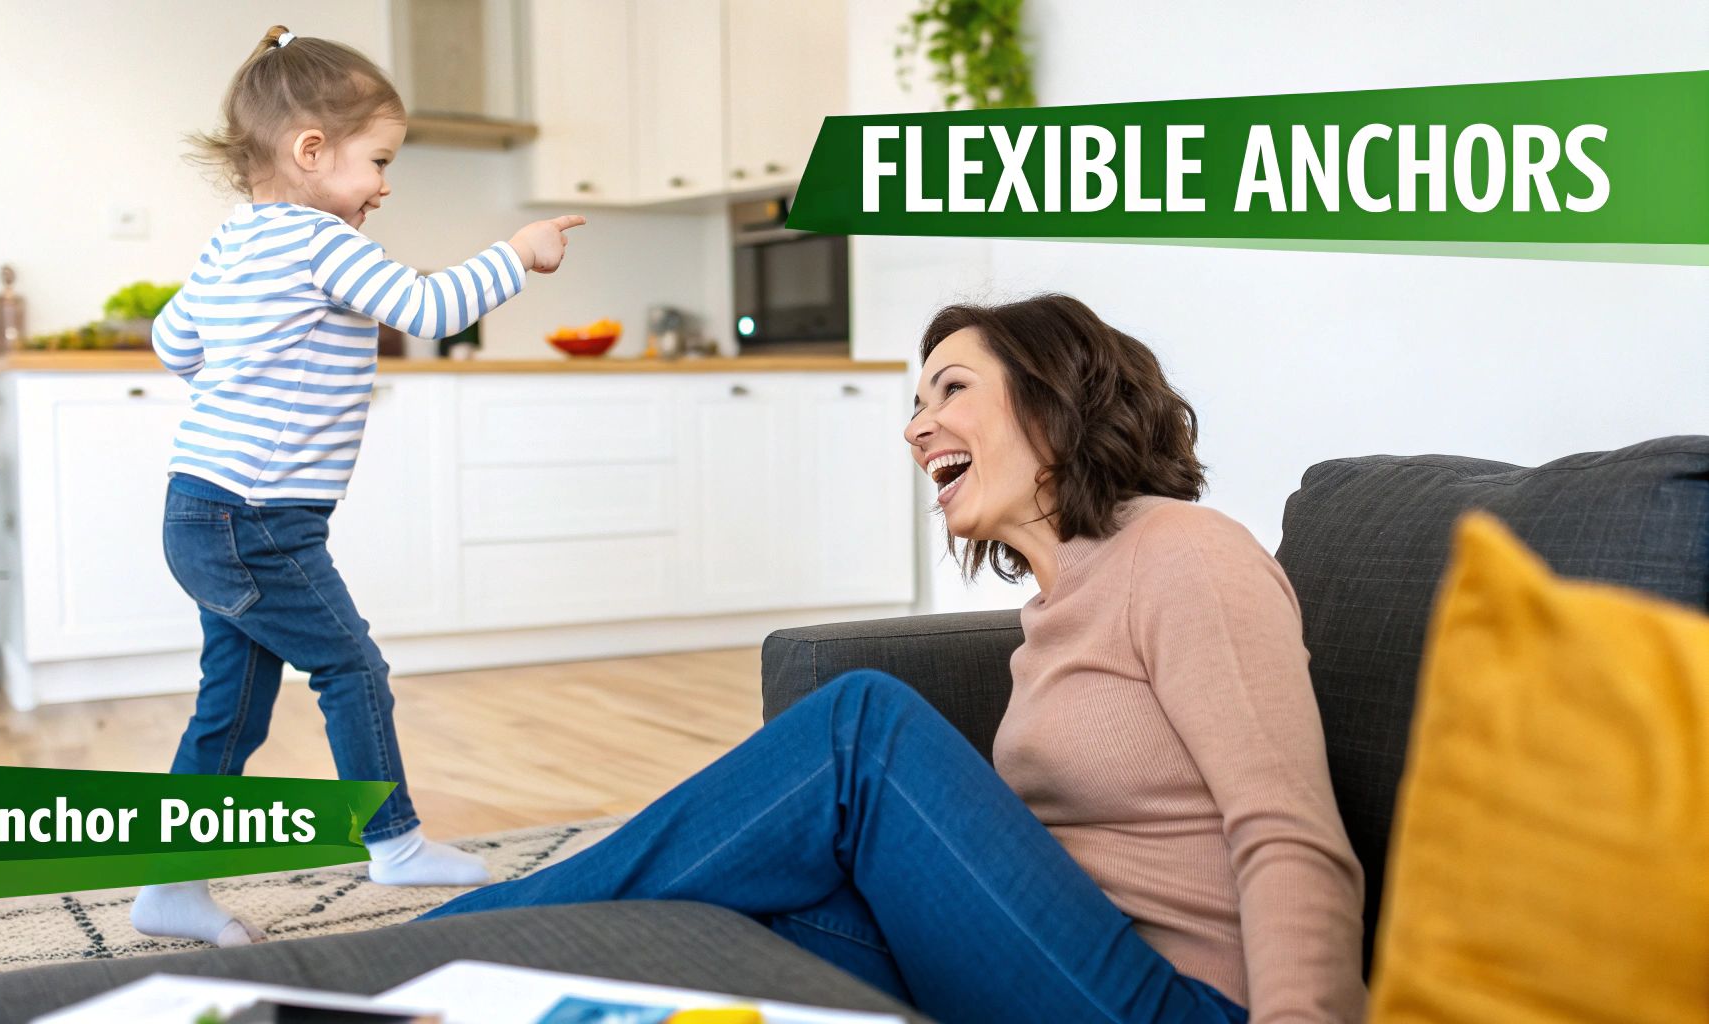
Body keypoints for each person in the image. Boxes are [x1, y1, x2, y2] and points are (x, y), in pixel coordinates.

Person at [418, 294, 1368, 1023]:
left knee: (862, 726)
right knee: (722, 929)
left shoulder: (1186, 553)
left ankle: (427, 948)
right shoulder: (1053, 610)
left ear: (1053, 400)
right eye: (916, 402)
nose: (916, 427)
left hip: (1180, 1003)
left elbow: (1290, 833)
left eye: (951, 389)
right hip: (1061, 964)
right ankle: (442, 990)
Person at [135, 24, 584, 948]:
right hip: (255, 519)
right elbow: (427, 307)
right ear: (311, 152)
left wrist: (245, 368)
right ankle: (394, 842)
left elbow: (173, 343)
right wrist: (520, 253)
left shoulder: (234, 242)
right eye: (377, 160)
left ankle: (167, 886)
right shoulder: (319, 240)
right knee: (350, 665)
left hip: (206, 506)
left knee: (232, 705)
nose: (384, 183)